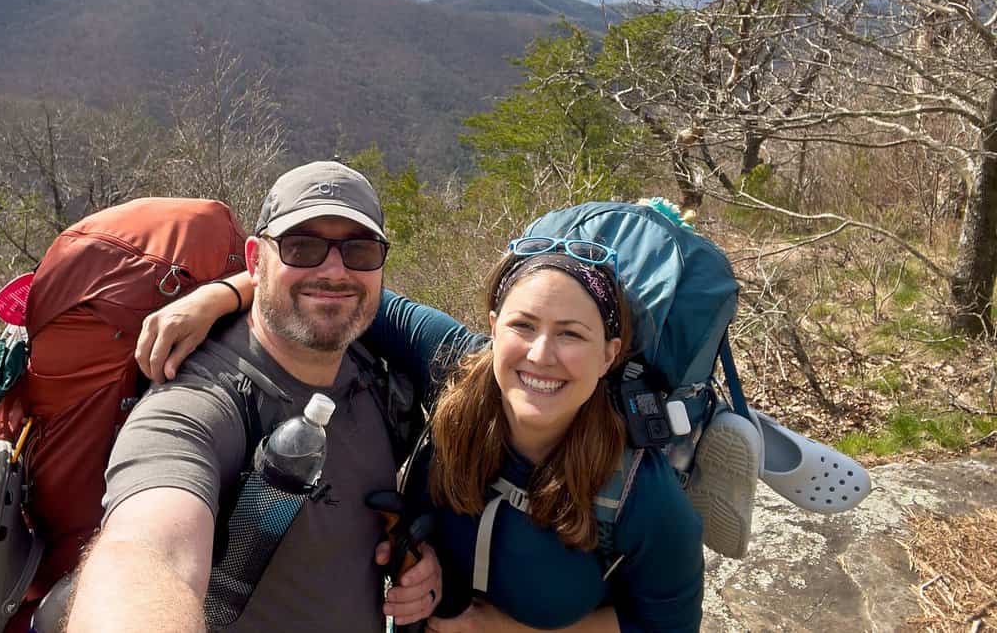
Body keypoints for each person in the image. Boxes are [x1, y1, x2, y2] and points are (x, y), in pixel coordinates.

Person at [139, 239, 705, 632]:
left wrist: (503, 630)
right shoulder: (459, 366)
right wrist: (220, 295)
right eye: (523, 325)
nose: (540, 355)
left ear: (609, 355)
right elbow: (340, 292)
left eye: (572, 335)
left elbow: (663, 626)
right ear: (493, 328)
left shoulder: (641, 498)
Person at [67, 161, 443, 633]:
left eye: (359, 250)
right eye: (301, 247)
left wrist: (417, 564)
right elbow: (145, 555)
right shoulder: (199, 401)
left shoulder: (375, 371)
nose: (333, 271)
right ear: (254, 261)